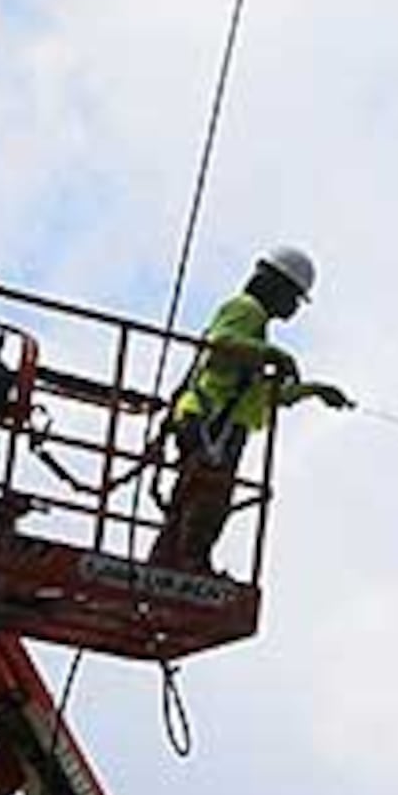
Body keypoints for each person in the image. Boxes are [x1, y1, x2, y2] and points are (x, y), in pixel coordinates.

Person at [151, 244, 349, 570]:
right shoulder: (246, 310)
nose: (294, 307)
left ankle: (170, 562)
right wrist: (274, 354)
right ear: (277, 287)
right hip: (211, 421)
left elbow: (268, 395)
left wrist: (315, 390)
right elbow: (219, 343)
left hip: (216, 423)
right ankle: (189, 563)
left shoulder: (256, 332)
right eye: (294, 298)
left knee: (195, 495)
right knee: (208, 498)